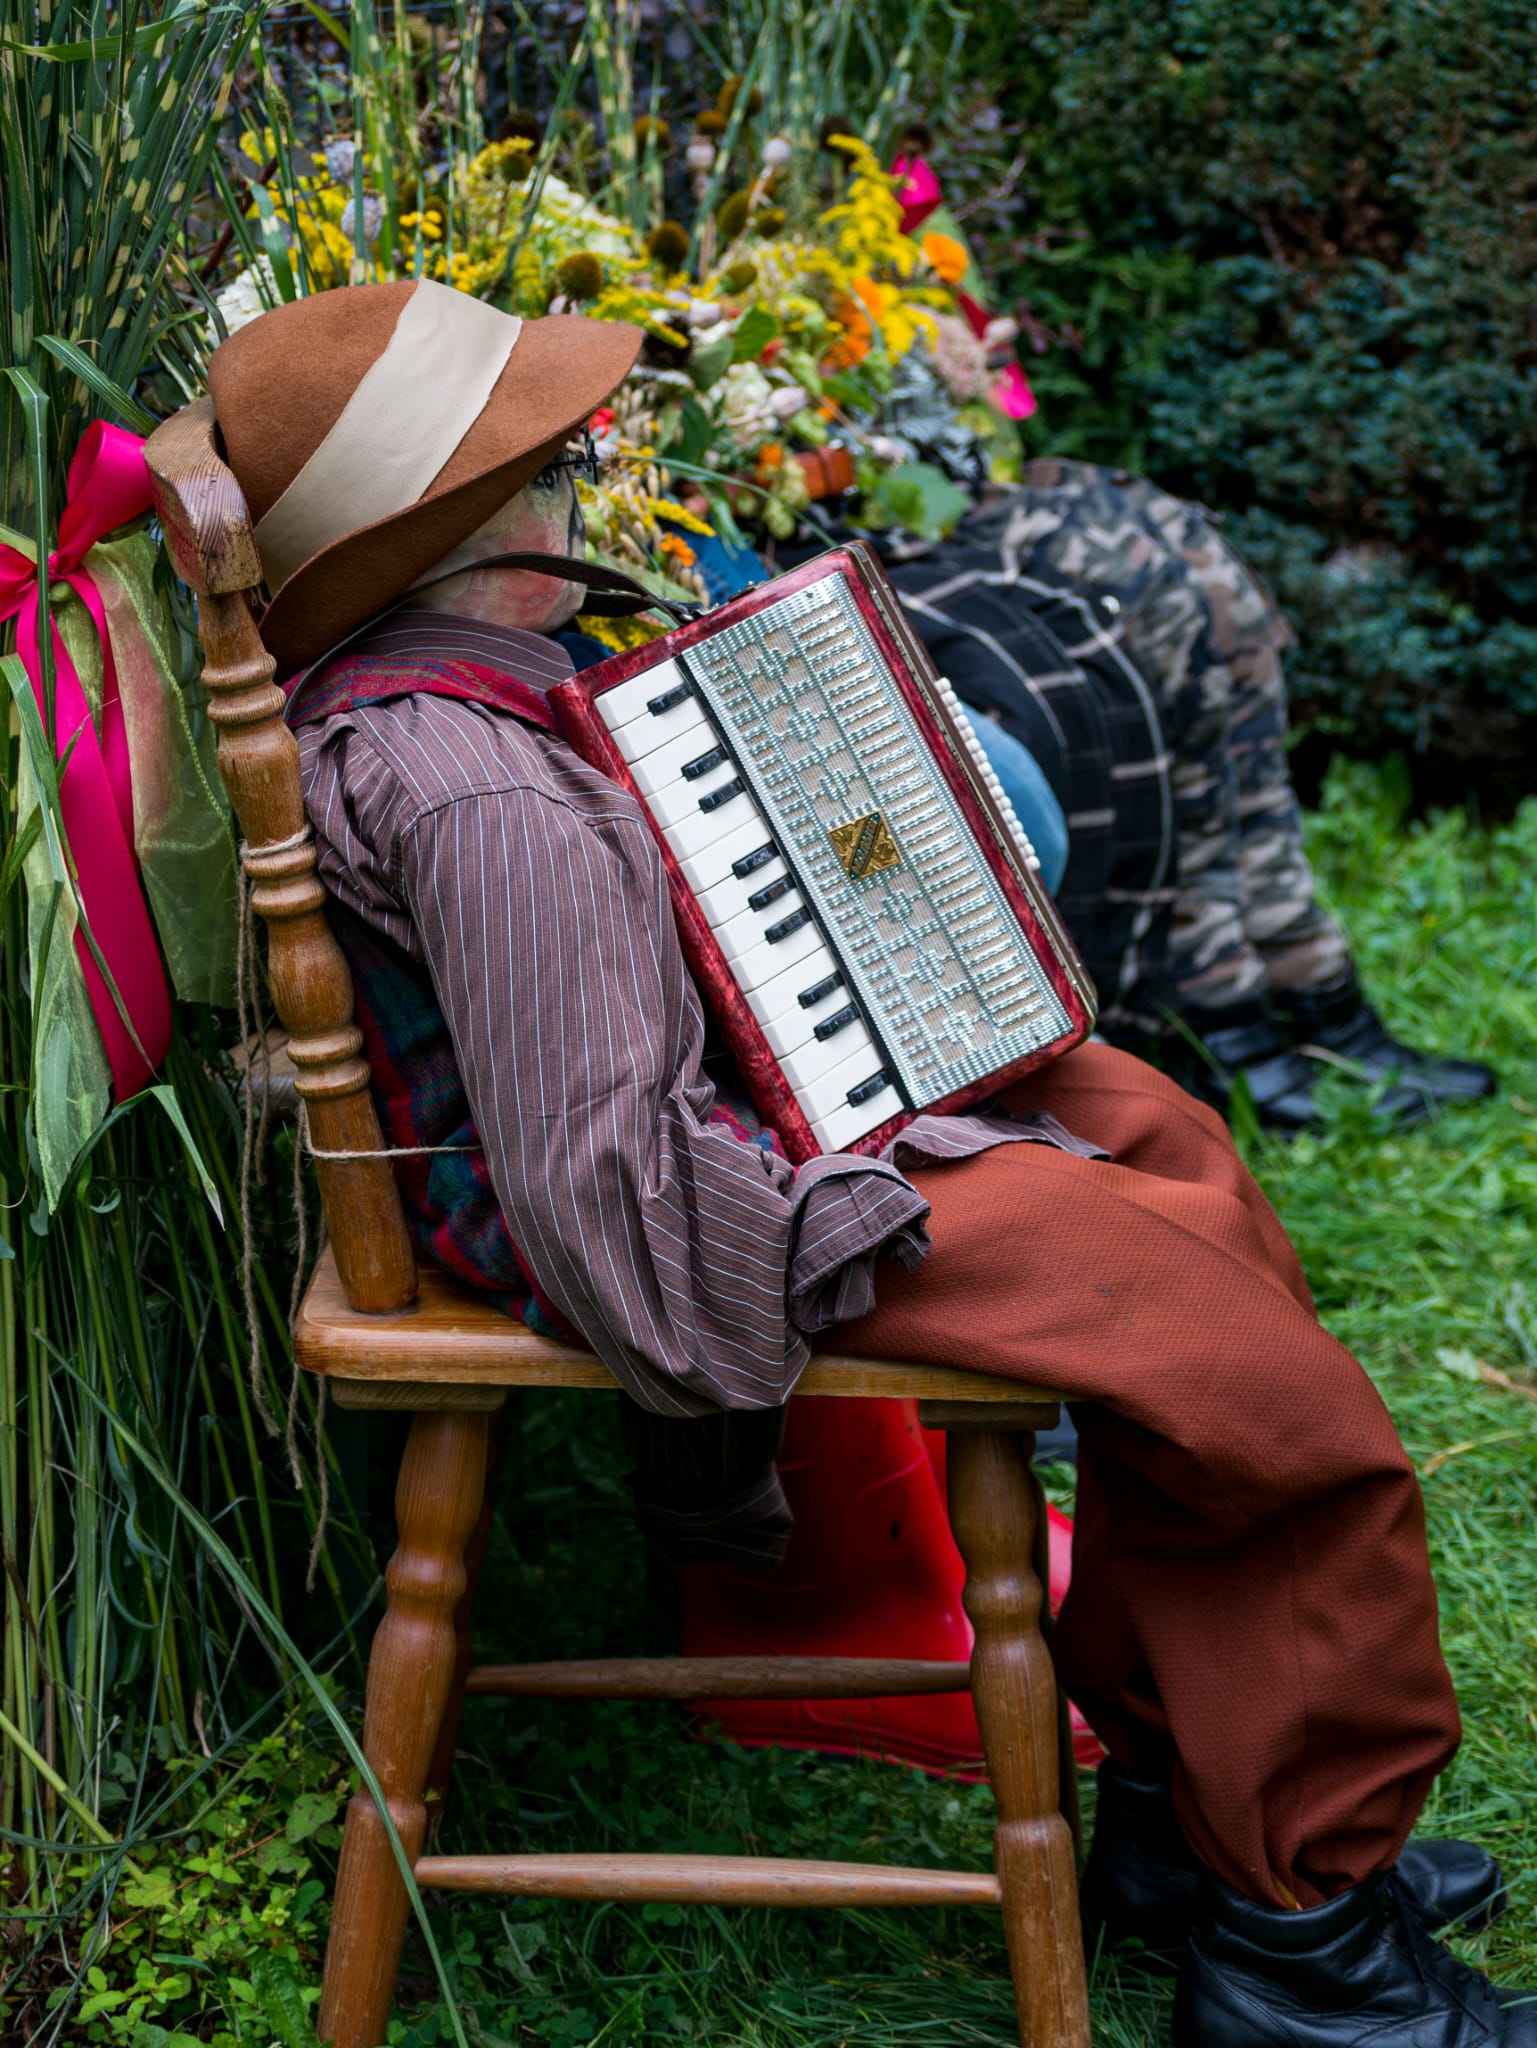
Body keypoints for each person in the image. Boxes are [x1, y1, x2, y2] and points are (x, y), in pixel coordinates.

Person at [209, 281, 1527, 2046]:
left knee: (1161, 1134)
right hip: (698, 1225)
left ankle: (1186, 1812)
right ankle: (1307, 1957)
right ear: (466, 528)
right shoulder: (482, 795)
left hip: (710, 1148)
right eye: (558, 460)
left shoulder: (482, 697)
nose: (589, 477)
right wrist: (866, 1162)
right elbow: (620, 1217)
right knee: (1249, 1386)